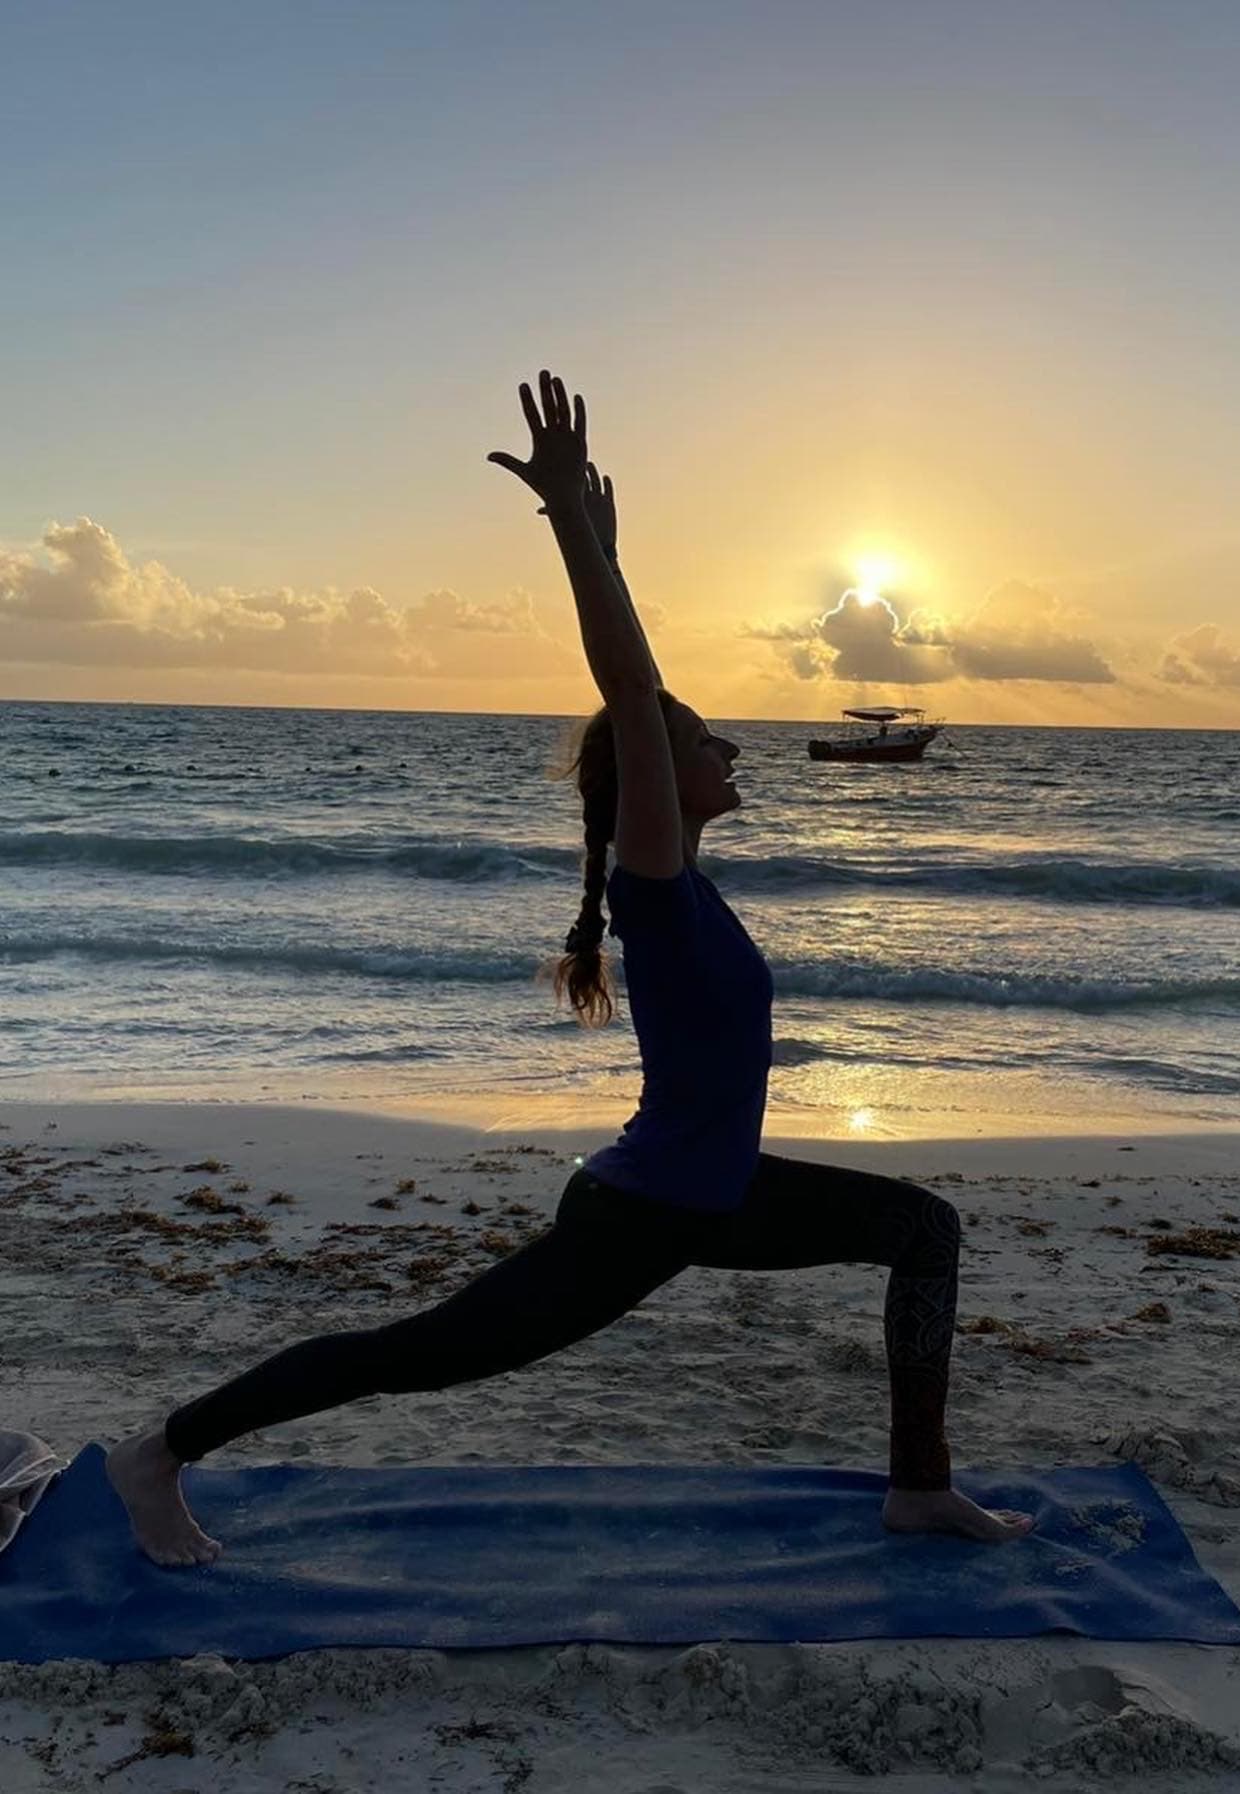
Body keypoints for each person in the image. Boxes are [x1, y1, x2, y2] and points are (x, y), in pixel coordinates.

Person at [106, 370, 1034, 1566]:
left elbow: (650, 709)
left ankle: (920, 1489)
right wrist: (575, 534)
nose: (734, 745)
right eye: (708, 742)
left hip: (716, 1194)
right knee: (421, 1355)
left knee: (924, 1226)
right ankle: (161, 1451)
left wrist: (605, 543)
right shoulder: (655, 886)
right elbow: (634, 693)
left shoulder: (688, 884)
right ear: (658, 775)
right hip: (640, 1216)